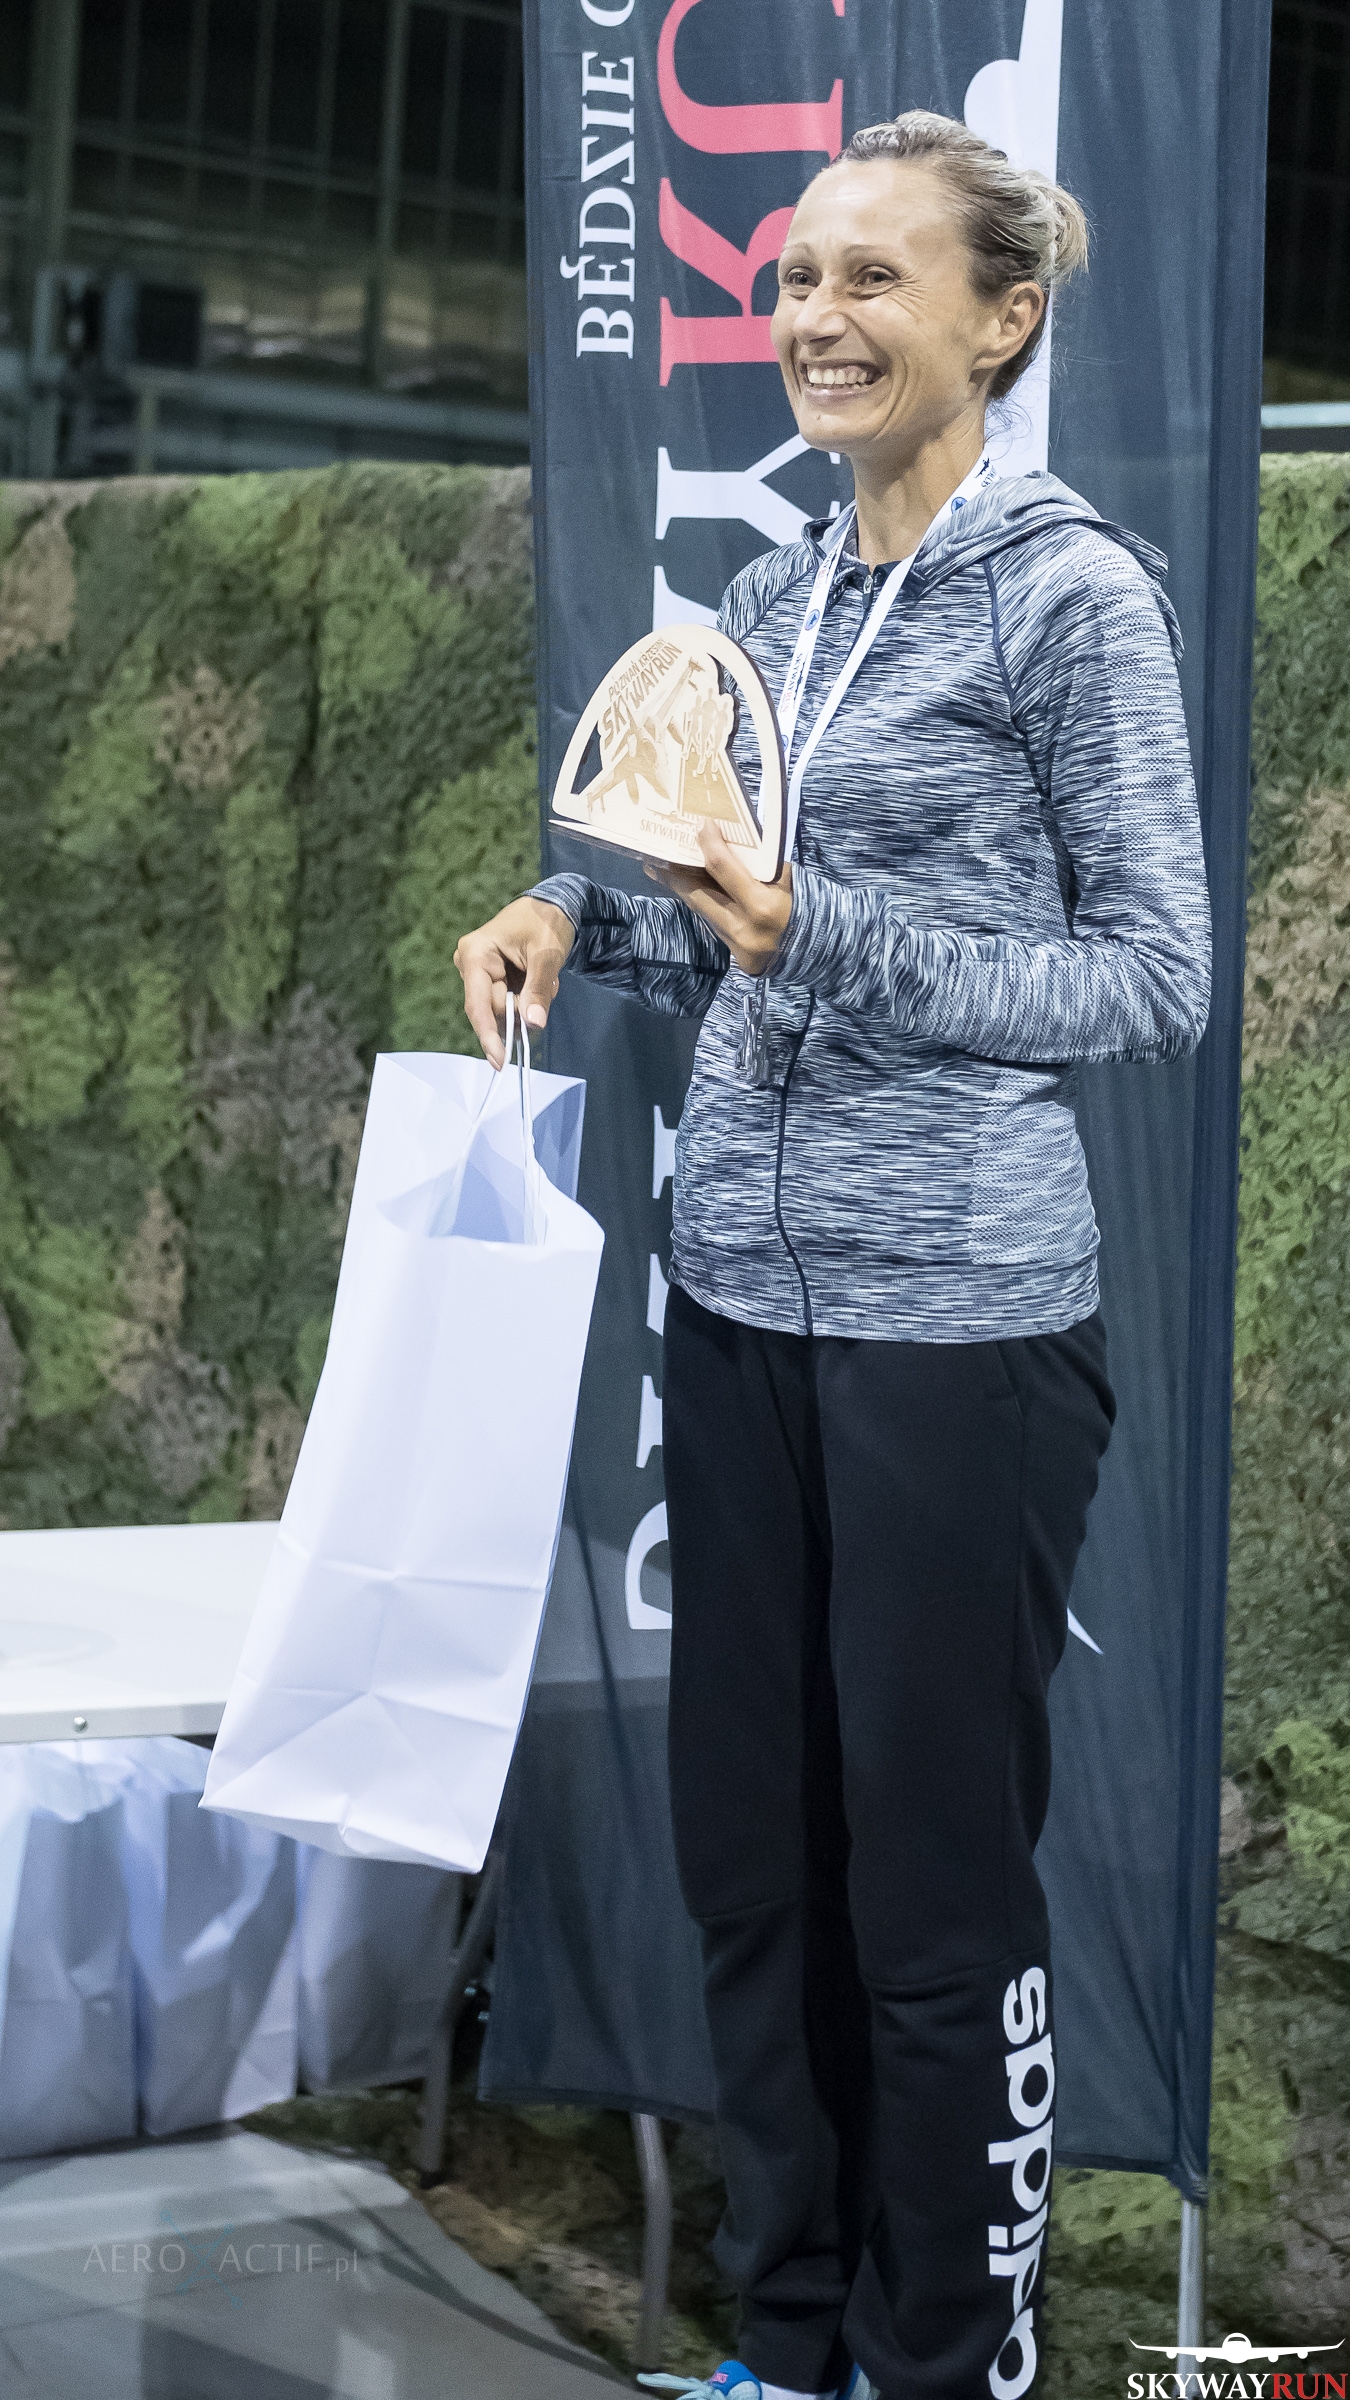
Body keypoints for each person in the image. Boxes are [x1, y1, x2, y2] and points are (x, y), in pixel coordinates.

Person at [455, 111, 1210, 2400]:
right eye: (796, 275)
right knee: (760, 1873)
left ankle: (941, 2359)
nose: (815, 316)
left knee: (932, 1900)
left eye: (877, 278)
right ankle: (789, 2345)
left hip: (959, 1335)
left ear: (1006, 319)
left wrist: (829, 936)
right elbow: (709, 906)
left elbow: (1154, 978)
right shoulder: (772, 602)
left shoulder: (1073, 599)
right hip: (742, 1311)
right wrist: (569, 921)